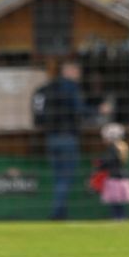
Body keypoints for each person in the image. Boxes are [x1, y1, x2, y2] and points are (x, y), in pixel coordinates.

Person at [36, 59, 91, 221]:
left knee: (58, 177)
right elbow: (79, 110)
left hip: (51, 137)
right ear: (68, 70)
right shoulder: (72, 88)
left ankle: (60, 212)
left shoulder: (47, 88)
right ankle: (58, 213)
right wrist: (98, 110)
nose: (79, 74)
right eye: (77, 70)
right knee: (65, 178)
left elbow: (38, 109)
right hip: (67, 137)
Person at [96, 122, 129, 221]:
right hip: (120, 176)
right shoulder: (122, 147)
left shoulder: (114, 149)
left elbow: (108, 161)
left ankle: (119, 217)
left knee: (115, 202)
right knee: (118, 202)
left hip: (114, 178)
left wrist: (101, 164)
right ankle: (120, 217)